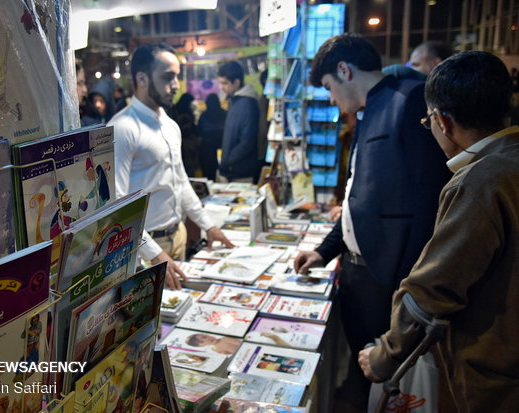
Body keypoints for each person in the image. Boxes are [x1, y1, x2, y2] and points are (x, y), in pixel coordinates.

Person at [293, 33, 451, 409]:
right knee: (367, 376)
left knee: (388, 382)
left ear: (345, 70)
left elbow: (430, 199)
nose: (332, 100)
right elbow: (356, 201)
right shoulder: (368, 111)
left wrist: (407, 283)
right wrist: (324, 251)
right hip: (358, 273)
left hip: (388, 280)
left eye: (330, 87)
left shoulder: (407, 100)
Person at [359, 51, 519, 412]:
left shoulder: (480, 181)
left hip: (496, 378)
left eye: (427, 120)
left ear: (442, 121)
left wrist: (384, 356)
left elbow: (430, 291)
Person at [107, 43, 233, 290]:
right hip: (146, 248)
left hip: (177, 236)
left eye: (177, 76)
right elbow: (117, 204)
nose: (176, 85)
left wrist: (208, 225)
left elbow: (181, 182)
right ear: (141, 78)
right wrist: (153, 253)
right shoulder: (122, 129)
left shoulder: (169, 125)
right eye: (168, 77)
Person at [217, 61, 261, 183]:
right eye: (220, 83)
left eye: (224, 83)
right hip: (231, 170)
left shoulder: (247, 104)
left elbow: (247, 141)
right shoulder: (234, 101)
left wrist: (228, 160)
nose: (221, 87)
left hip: (241, 172)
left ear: (236, 82)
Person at [198, 93, 226, 180]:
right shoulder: (225, 114)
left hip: (207, 150)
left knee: (208, 176)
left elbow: (199, 132)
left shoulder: (203, 116)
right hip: (222, 148)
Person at [174, 93, 200, 177]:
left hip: (179, 144)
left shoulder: (175, 110)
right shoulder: (186, 113)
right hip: (187, 145)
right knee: (188, 170)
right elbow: (188, 129)